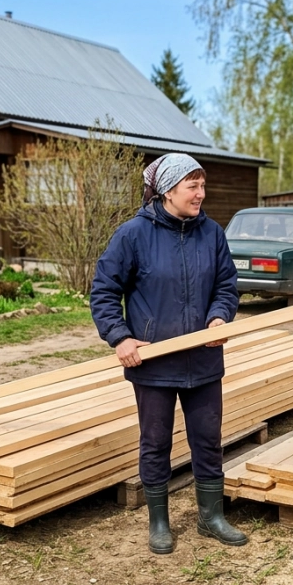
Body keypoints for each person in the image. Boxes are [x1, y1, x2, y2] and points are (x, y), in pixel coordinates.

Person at [90, 153, 246, 555]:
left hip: (205, 360)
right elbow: (104, 291)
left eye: (203, 185)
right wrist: (120, 338)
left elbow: (227, 285)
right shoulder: (133, 235)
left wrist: (218, 318)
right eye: (192, 186)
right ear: (167, 190)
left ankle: (211, 517)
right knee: (155, 442)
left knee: (208, 441)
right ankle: (159, 522)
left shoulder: (211, 233)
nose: (201, 193)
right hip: (155, 364)